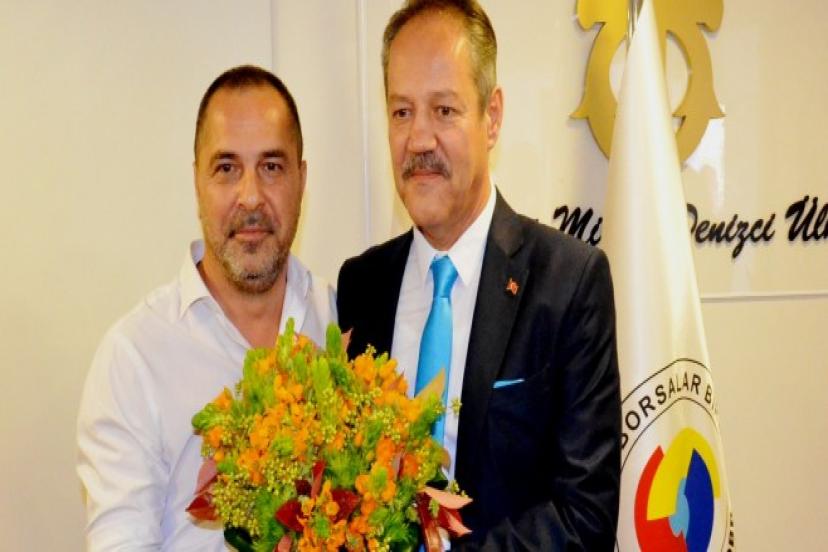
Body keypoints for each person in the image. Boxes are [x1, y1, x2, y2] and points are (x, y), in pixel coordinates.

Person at [336, 1, 621, 549]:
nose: (419, 139)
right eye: (401, 112)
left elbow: (585, 515)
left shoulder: (569, 283)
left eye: (443, 110)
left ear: (492, 117)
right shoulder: (361, 286)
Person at [76, 65, 336, 550]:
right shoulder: (133, 359)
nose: (251, 197)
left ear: (302, 179)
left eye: (272, 166)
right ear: (197, 181)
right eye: (226, 168)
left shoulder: (342, 320)